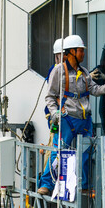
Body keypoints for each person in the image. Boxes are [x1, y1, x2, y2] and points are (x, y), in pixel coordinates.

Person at [37, 35, 105, 195]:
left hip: (84, 120)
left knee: (85, 153)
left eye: (83, 51)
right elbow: (50, 96)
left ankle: (84, 185)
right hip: (67, 118)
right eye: (80, 51)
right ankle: (47, 184)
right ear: (70, 52)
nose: (83, 54)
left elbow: (95, 89)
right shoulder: (58, 71)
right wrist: (54, 112)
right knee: (58, 150)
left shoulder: (84, 73)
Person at [41, 38, 67, 168]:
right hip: (55, 115)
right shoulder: (55, 70)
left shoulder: (68, 69)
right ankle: (48, 178)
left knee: (59, 146)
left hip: (65, 115)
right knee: (54, 145)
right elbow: (54, 94)